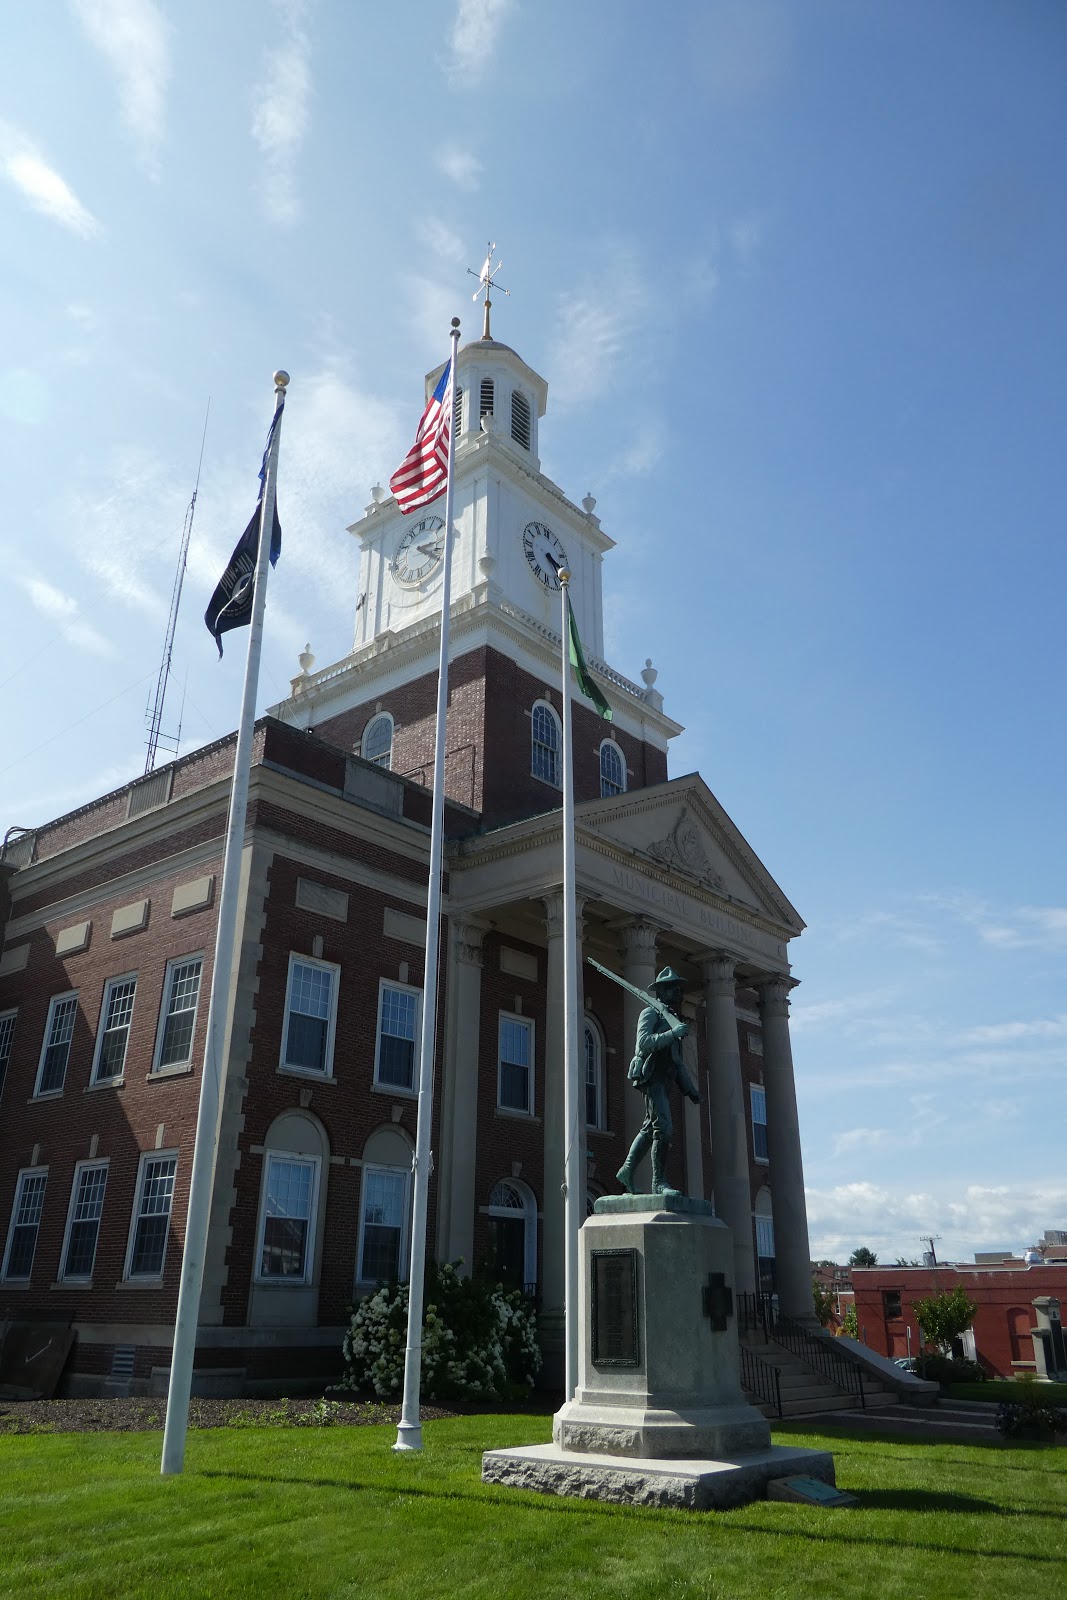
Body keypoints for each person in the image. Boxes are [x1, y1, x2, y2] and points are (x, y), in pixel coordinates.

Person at [615, 967, 701, 1196]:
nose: (678, 992)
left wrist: (690, 1090)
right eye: (673, 987)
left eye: (678, 988)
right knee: (663, 1128)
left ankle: (627, 1170)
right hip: (651, 1076)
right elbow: (643, 1042)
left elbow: (677, 1060)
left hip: (665, 1079)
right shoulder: (650, 1013)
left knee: (648, 1128)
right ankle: (658, 1182)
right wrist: (673, 1034)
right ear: (661, 991)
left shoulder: (672, 1018)